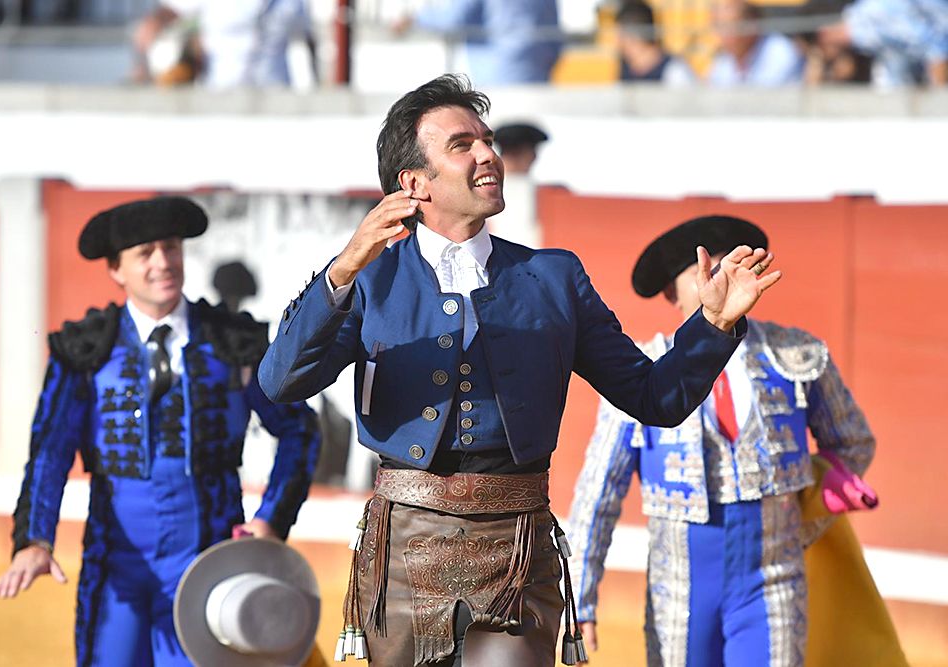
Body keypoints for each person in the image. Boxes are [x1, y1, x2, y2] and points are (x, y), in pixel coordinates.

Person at [257, 74, 781, 666]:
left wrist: (711, 327)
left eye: (487, 140)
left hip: (517, 545)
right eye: (462, 144)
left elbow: (655, 396)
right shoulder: (370, 278)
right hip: (405, 548)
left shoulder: (554, 277)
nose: (488, 154)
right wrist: (344, 267)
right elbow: (281, 381)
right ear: (413, 184)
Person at [0, 196, 321, 667]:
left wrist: (272, 519)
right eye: (145, 253)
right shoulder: (85, 352)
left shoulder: (233, 343)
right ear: (116, 270)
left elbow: (299, 432)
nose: (163, 263)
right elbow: (50, 453)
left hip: (209, 564)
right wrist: (34, 539)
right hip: (116, 569)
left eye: (170, 248)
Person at [567, 215, 877, 667]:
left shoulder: (798, 355)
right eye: (702, 271)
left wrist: (807, 509)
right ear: (673, 294)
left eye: (730, 266)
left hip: (773, 575)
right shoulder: (641, 369)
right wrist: (580, 593)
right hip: (680, 583)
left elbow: (853, 443)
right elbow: (600, 489)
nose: (720, 278)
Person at [133, 0, 316, 89]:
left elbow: (311, 38)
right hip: (220, 98)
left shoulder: (291, 2)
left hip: (274, 98)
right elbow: (160, 19)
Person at [392, 0, 562, 86]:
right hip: (537, 69)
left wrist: (414, 19)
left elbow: (453, 19)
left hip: (496, 74)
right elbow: (553, 26)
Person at [817, 0, 948, 87]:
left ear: (824, 35)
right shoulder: (864, 26)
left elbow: (934, 45)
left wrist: (939, 99)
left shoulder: (871, 18)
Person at [707, 0, 804, 86]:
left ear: (752, 26)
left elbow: (764, 98)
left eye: (729, 27)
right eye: (719, 27)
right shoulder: (724, 60)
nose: (722, 36)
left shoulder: (781, 53)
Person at [615, 1, 695, 86]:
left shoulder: (675, 72)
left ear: (634, 37)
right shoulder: (625, 71)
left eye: (621, 36)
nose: (617, 42)